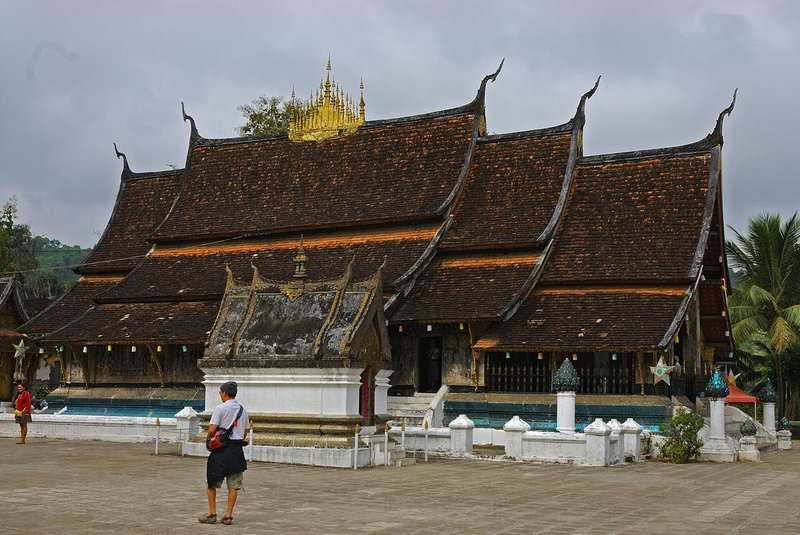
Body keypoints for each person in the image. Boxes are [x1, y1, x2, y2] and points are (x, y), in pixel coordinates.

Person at [198, 381, 249, 526]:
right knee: (233, 485)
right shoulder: (243, 410)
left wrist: (208, 439)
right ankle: (228, 515)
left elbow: (213, 429)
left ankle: (212, 513)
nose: (220, 395)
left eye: (220, 392)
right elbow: (244, 432)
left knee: (212, 482)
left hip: (220, 451)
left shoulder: (220, 408)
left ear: (224, 393)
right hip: (236, 451)